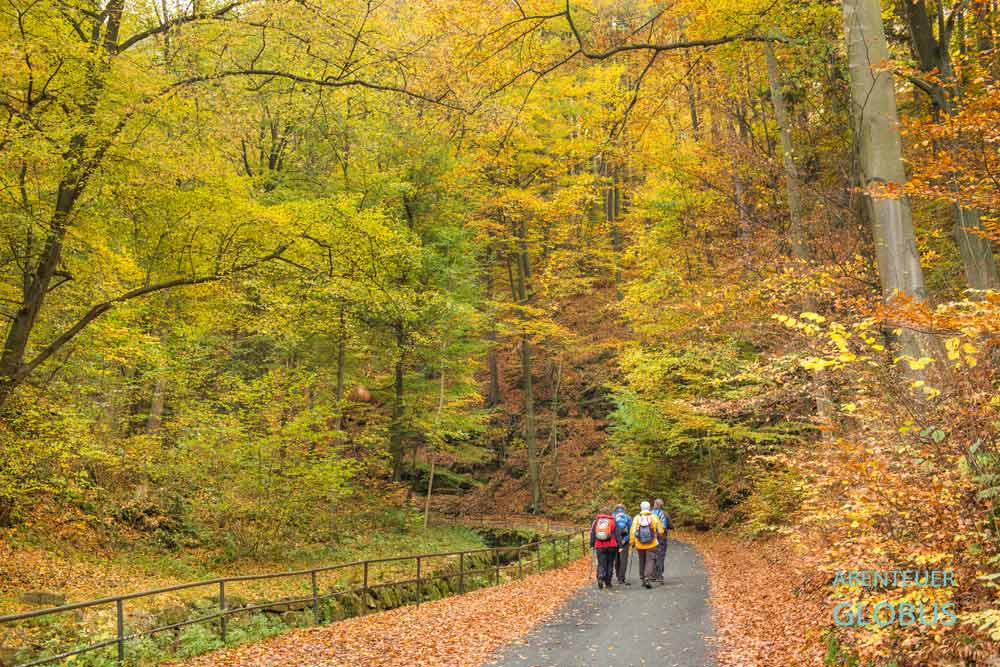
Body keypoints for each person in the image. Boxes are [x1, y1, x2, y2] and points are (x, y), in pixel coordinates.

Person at [629, 500, 664, 588]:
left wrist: (632, 542)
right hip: (652, 544)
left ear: (641, 508)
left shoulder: (636, 518)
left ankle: (642, 579)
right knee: (650, 561)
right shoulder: (654, 517)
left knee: (642, 560)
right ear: (649, 508)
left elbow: (632, 532)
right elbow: (661, 531)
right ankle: (648, 577)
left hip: (639, 544)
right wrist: (658, 536)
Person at [590, 508, 619, 589]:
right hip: (611, 545)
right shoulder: (613, 521)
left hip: (599, 545)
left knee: (601, 563)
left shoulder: (596, 521)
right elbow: (617, 534)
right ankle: (608, 583)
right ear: (610, 513)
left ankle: (600, 577)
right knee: (610, 564)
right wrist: (620, 545)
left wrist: (592, 544)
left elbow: (593, 533)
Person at [651, 498, 672, 584]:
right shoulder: (665, 514)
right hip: (661, 537)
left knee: (652, 556)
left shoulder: (649, 513)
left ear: (654, 504)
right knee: (660, 556)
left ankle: (653, 575)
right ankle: (660, 576)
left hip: (651, 537)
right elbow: (671, 525)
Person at [612, 504, 632, 585]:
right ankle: (621, 578)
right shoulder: (628, 517)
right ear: (624, 509)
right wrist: (625, 539)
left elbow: (611, 530)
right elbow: (631, 530)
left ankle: (617, 575)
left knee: (616, 559)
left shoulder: (612, 516)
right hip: (625, 541)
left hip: (615, 541)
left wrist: (616, 540)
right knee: (623, 560)